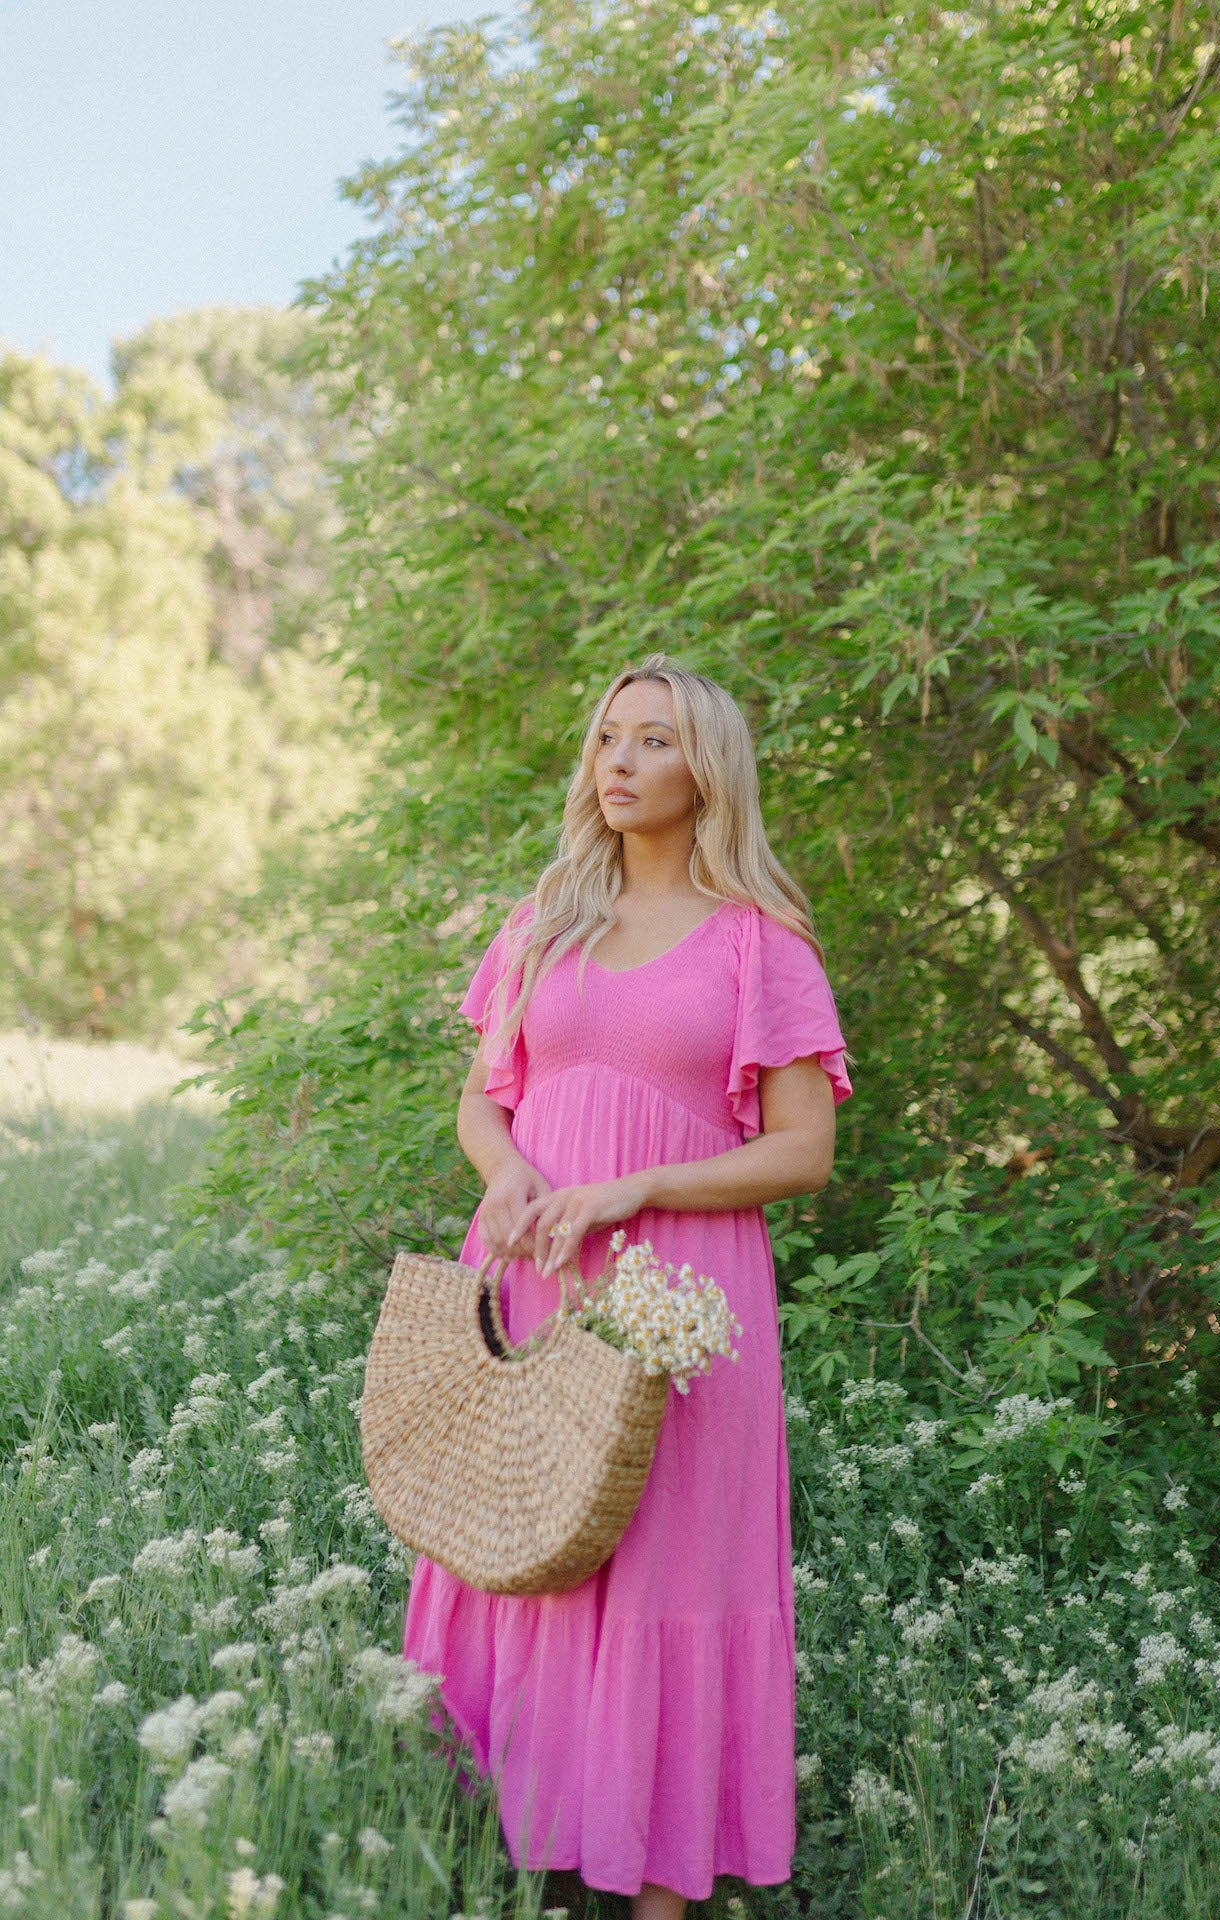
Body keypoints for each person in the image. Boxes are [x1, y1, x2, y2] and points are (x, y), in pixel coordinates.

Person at [402, 654, 852, 1917]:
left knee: (667, 1566)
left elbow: (802, 1151)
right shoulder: (549, 914)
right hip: (536, 1267)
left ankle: (659, 1895)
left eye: (651, 741)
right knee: (526, 1544)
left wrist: (635, 1188)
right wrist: (506, 1176)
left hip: (682, 1303)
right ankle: (512, 1861)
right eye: (607, 737)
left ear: (705, 769)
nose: (618, 761)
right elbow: (483, 1099)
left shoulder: (761, 944)